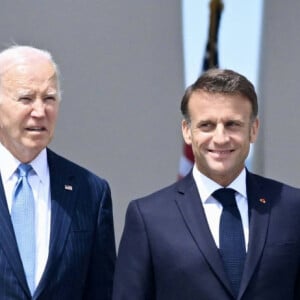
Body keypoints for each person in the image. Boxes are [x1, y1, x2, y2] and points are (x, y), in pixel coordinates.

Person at [112, 69, 300, 300]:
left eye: (232, 124)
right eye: (207, 125)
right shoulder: (148, 217)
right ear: (187, 131)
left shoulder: (292, 207)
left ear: (253, 129)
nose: (220, 138)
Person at [0, 45, 116, 299]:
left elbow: (101, 291)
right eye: (26, 98)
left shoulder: (90, 192)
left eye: (49, 98)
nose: (40, 112)